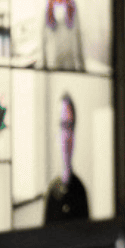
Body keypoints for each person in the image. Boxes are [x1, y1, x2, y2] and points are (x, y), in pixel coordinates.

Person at [43, 94, 90, 222]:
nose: (67, 136)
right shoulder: (52, 192)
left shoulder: (80, 191)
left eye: (70, 126)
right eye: (63, 126)